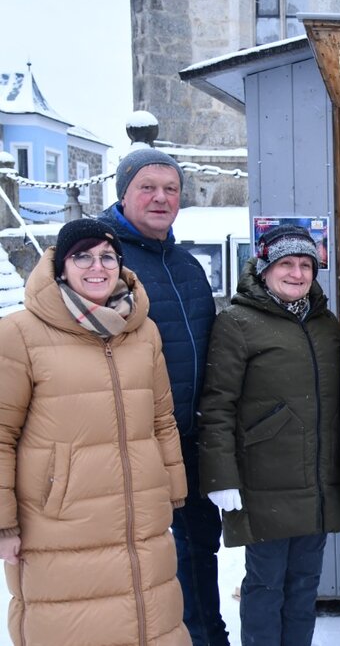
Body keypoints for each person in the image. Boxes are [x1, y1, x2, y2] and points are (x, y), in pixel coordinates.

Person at [0, 219, 189, 645]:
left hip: (141, 517)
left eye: (107, 257)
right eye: (82, 256)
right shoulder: (19, 334)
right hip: (61, 523)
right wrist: (4, 524)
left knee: (152, 622)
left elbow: (162, 418)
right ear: (61, 267)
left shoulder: (143, 331)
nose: (97, 267)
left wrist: (171, 489)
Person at [198, 225, 340, 645]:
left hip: (317, 480)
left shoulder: (324, 324)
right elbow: (217, 405)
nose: (297, 274)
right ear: (264, 268)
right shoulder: (237, 322)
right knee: (266, 586)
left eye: (305, 265)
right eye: (286, 263)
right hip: (264, 482)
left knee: (304, 586)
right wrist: (221, 476)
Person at [99, 147, 228, 645]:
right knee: (136, 555)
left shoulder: (186, 265)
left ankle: (206, 635)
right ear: (123, 194)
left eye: (170, 189)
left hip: (188, 439)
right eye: (147, 188)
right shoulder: (100, 261)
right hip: (130, 445)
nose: (160, 198)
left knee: (198, 548)